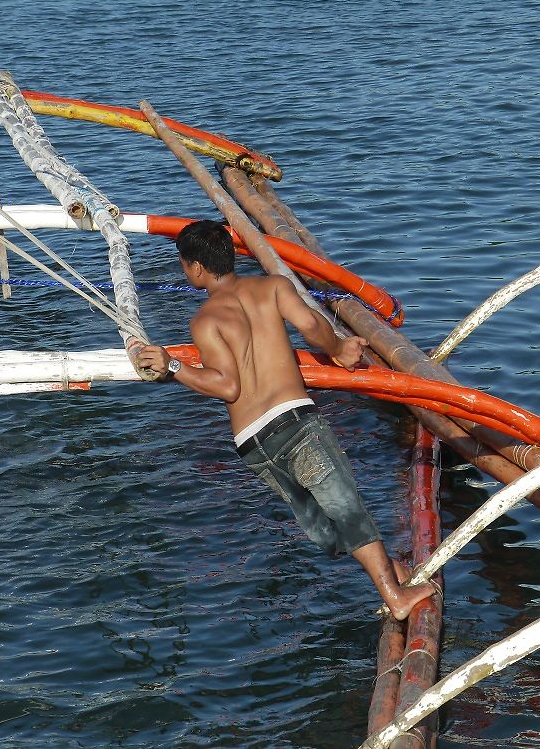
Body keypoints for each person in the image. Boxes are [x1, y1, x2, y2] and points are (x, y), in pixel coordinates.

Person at [130, 220, 435, 620]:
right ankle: (394, 596)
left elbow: (225, 387)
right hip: (296, 425)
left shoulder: (204, 321)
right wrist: (340, 349)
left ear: (196, 269)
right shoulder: (273, 287)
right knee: (345, 507)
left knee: (321, 527)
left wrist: (173, 366)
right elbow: (310, 327)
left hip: (255, 446)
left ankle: (389, 573)